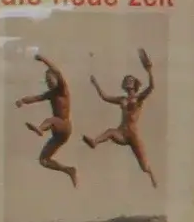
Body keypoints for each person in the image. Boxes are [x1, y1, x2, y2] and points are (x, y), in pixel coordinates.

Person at [85, 49, 162, 187]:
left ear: (134, 84)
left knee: (144, 165)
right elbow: (105, 97)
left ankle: (151, 175)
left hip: (132, 134)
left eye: (130, 80)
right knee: (110, 131)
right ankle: (94, 142)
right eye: (126, 80)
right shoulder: (122, 99)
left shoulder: (139, 98)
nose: (127, 82)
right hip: (122, 132)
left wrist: (149, 71)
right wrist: (95, 84)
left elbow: (151, 87)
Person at [18, 53, 81, 185]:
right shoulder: (51, 94)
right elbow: (36, 98)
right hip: (58, 134)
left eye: (50, 80)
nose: (48, 83)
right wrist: (22, 101)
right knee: (43, 160)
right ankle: (68, 170)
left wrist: (43, 59)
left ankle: (40, 129)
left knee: (51, 120)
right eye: (46, 81)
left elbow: (57, 71)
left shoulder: (63, 90)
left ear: (56, 79)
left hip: (64, 125)